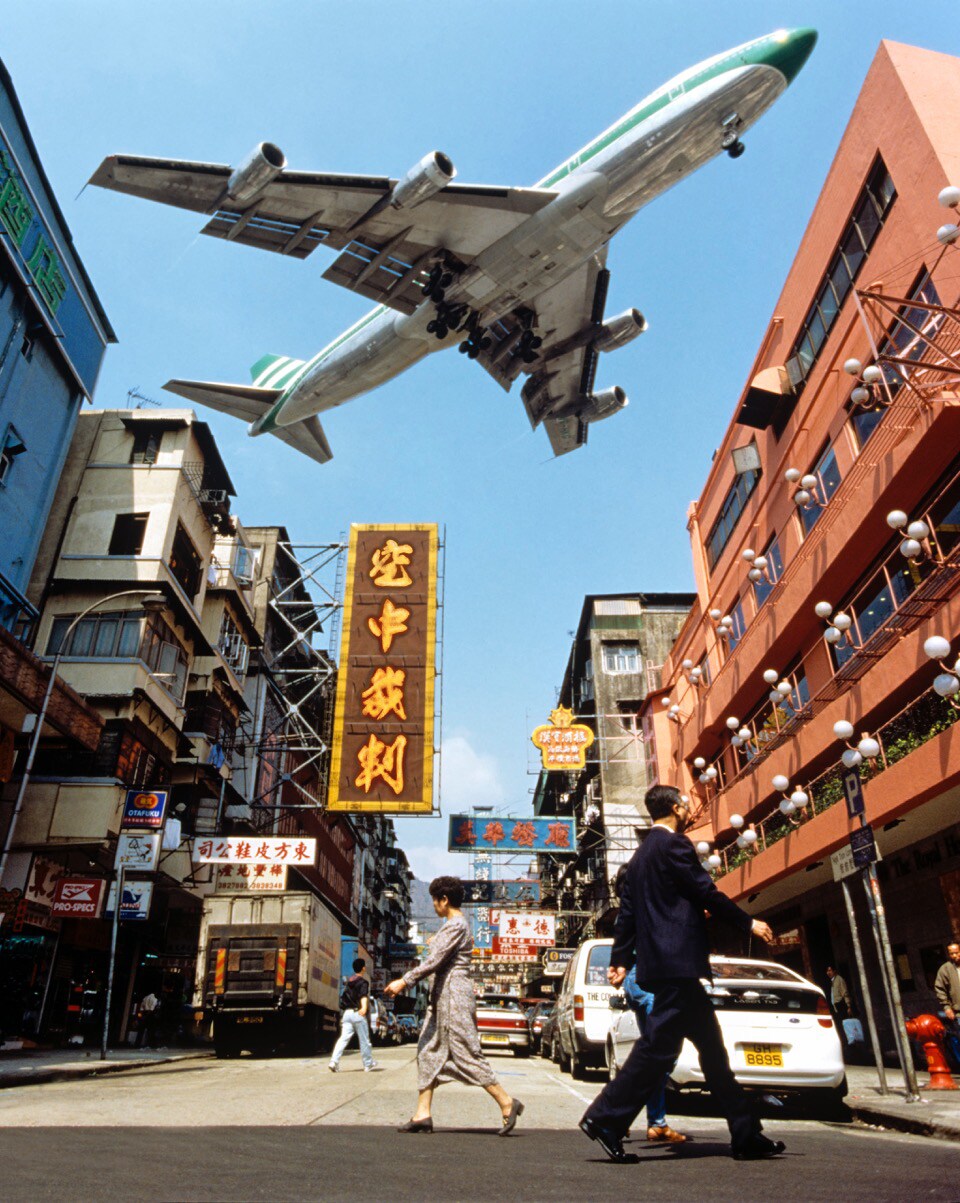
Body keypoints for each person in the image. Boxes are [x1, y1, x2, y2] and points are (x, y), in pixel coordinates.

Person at [579, 784, 784, 1163]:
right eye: (686, 804)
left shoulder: (639, 857)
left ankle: (746, 1133)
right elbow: (705, 892)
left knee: (712, 1051)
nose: (689, 809)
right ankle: (604, 1119)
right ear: (675, 807)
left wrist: (620, 960)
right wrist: (747, 922)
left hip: (665, 966)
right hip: (678, 965)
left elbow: (627, 916)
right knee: (657, 1049)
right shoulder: (675, 845)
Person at [384, 875, 523, 1136]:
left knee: (465, 1052)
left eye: (435, 900)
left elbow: (433, 962)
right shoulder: (453, 926)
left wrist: (404, 981)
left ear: (444, 900)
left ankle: (507, 1102)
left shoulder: (456, 925)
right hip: (442, 996)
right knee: (427, 1050)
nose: (434, 906)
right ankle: (422, 1114)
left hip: (453, 997)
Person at [329, 958, 377, 1073]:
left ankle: (333, 1062)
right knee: (364, 1040)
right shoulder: (363, 982)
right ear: (363, 968)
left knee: (343, 1039)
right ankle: (368, 1064)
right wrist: (364, 1008)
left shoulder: (349, 982)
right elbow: (363, 996)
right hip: (357, 1013)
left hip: (347, 1014)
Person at [934, 941, 960, 1066]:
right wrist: (947, 1007)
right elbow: (940, 989)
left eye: (957, 953)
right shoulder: (945, 969)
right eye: (952, 954)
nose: (955, 956)